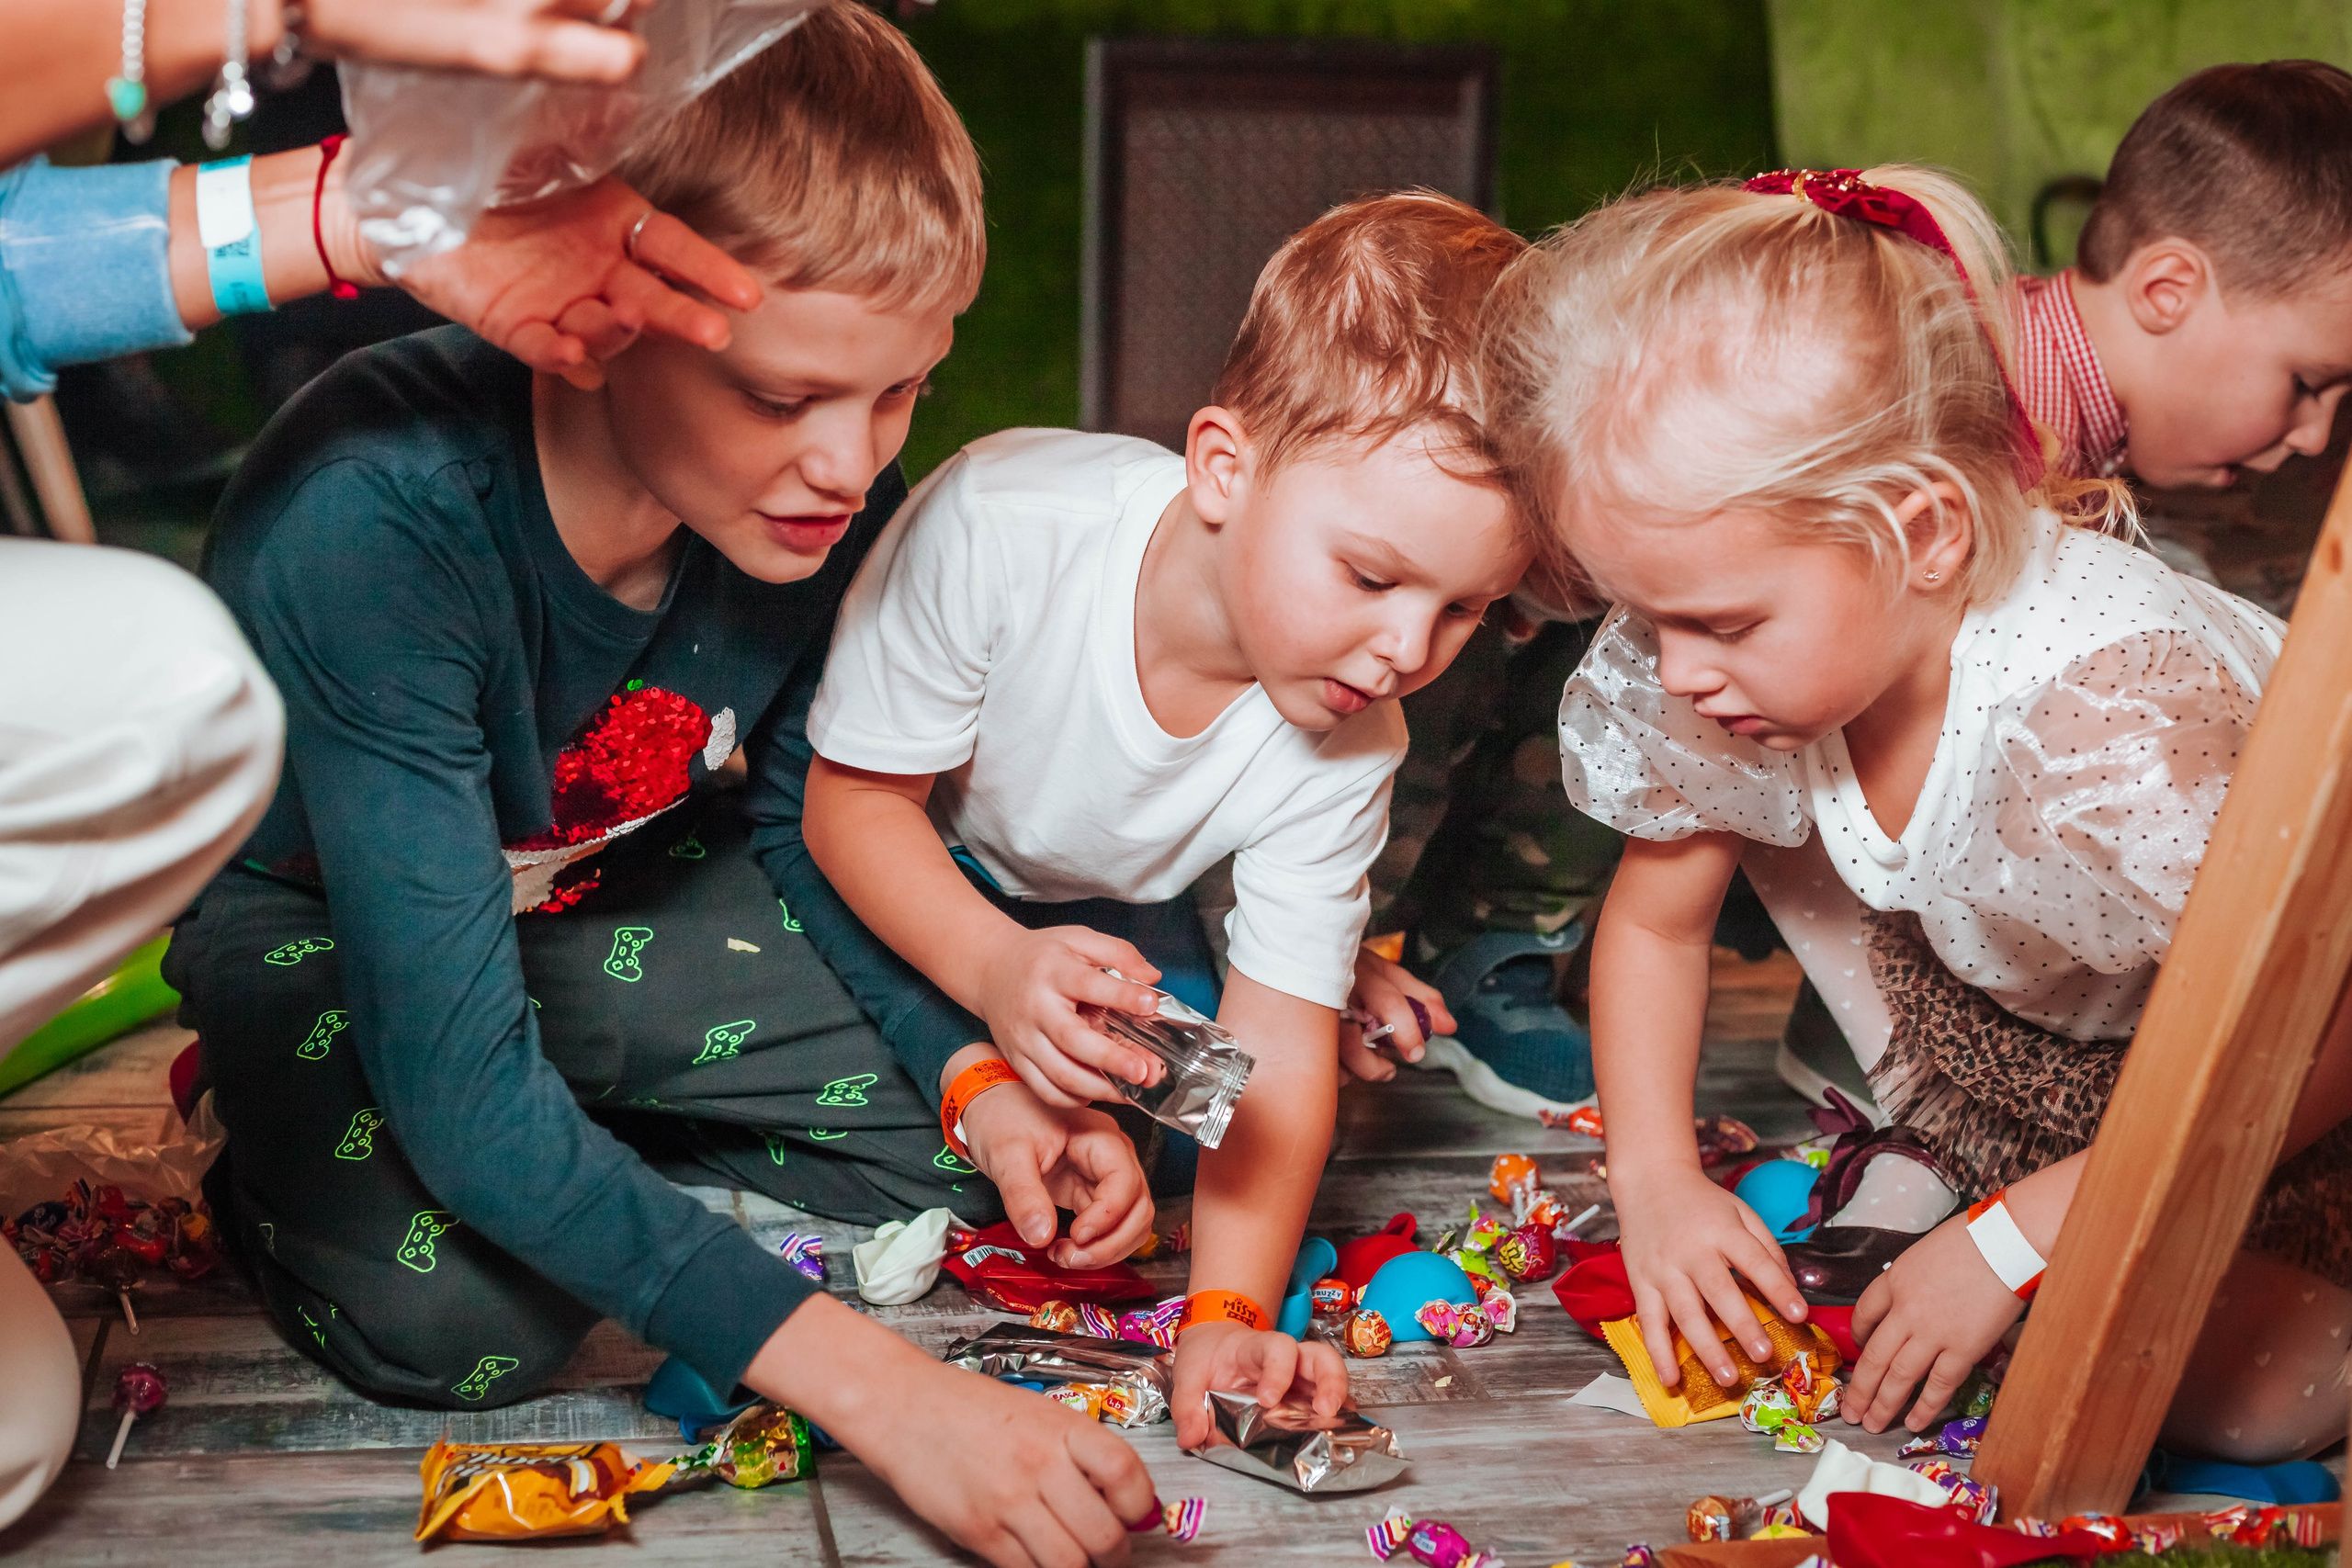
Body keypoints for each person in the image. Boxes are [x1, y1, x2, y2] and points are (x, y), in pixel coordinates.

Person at [163, 10, 1164, 1562]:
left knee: (998, 1156)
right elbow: (466, 1101)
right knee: (470, 1323)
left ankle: (597, 1144)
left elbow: (795, 818)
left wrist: (972, 1074)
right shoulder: (376, 521)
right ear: (598, 307)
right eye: (784, 398)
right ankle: (285, 1130)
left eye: (898, 394)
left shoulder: (809, 504)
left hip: (601, 900)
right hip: (326, 918)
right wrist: (893, 1401)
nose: (851, 464)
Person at [0, 0, 778, 1541]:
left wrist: (358, 211)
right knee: (171, 682)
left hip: (529, 925)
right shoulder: (378, 515)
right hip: (317, 918)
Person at [1482, 164, 2352, 1461]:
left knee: (2263, 1397)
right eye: (1649, 616)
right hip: (2037, 1015)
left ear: (1924, 531)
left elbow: (2306, 1036)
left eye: (1720, 623)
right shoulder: (1744, 650)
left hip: (2269, 1063)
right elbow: (1658, 929)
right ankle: (1976, 1158)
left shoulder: (2106, 720)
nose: (1674, 672)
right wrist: (1655, 1185)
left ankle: (2018, 1199)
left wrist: (2010, 1243)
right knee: (1730, 772)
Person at [798, 190, 1532, 1447]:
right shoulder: (1003, 526)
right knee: (954, 1093)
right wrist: (991, 968)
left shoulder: (1355, 730)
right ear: (1222, 468)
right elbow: (849, 811)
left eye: (1464, 609)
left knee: (1193, 1145)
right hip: (898, 839)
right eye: (1369, 577)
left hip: (1108, 905)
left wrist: (1229, 1307)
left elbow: (1279, 1048)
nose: (1409, 647)